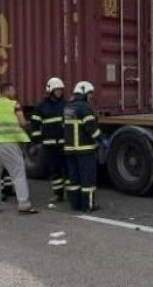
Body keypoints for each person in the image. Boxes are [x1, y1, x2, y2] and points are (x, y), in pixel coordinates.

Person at [0, 82, 38, 213]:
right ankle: (23, 204)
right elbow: (22, 123)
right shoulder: (14, 104)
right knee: (18, 174)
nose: (14, 92)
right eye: (12, 90)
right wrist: (29, 124)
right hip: (10, 144)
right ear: (7, 91)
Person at [63, 81, 109, 212]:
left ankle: (75, 204)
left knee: (74, 179)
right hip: (84, 149)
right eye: (89, 94)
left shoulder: (68, 107)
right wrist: (102, 139)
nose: (90, 97)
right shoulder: (84, 108)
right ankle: (88, 205)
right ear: (83, 93)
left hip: (70, 149)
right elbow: (91, 129)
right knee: (87, 179)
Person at [31, 77, 67, 205]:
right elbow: (35, 125)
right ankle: (58, 194)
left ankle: (71, 194)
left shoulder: (65, 105)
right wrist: (36, 142)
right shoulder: (41, 106)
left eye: (60, 90)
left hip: (64, 143)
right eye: (57, 90)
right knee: (54, 170)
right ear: (50, 91)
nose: (59, 93)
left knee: (67, 169)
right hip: (49, 145)